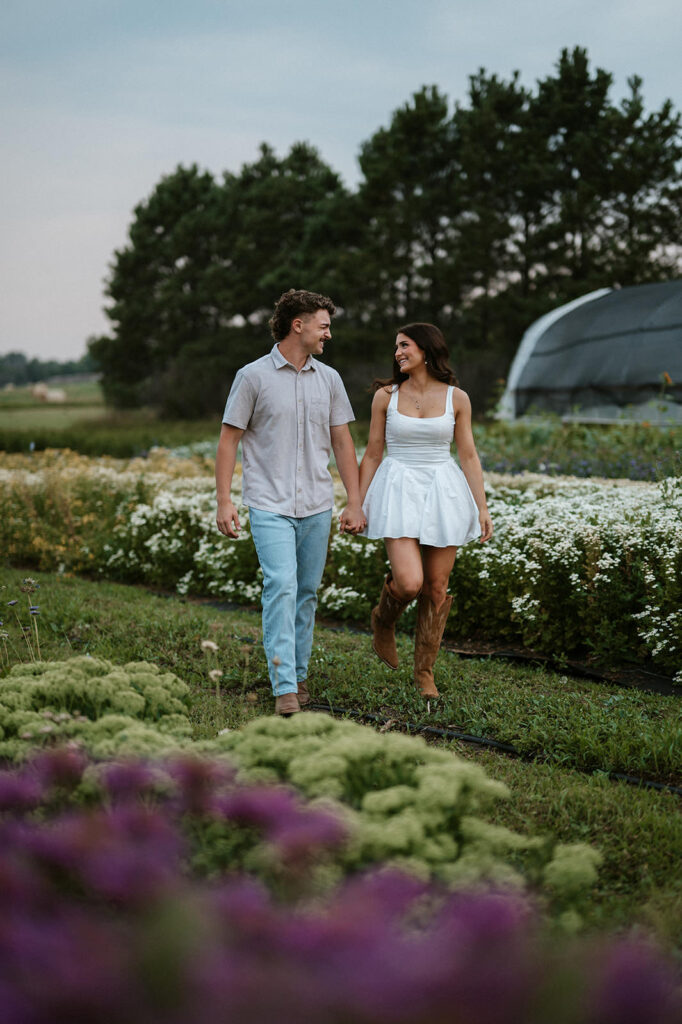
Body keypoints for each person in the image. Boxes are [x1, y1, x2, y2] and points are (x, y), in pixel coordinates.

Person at [216, 289, 366, 716]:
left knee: (306, 593)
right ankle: (283, 685)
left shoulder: (330, 379)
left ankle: (299, 675)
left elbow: (342, 441)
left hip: (317, 504)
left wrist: (354, 501)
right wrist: (224, 501)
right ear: (297, 325)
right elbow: (229, 441)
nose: (328, 334)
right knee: (280, 585)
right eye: (324, 325)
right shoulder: (252, 377)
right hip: (269, 502)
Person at [359, 322, 493, 699]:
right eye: (396, 347)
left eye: (405, 345)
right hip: (398, 487)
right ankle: (383, 620)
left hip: (442, 489)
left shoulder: (457, 398)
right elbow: (372, 452)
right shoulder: (386, 396)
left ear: (427, 349)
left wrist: (482, 507)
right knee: (409, 583)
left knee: (435, 588)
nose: (398, 352)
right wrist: (355, 503)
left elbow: (467, 454)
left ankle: (424, 673)